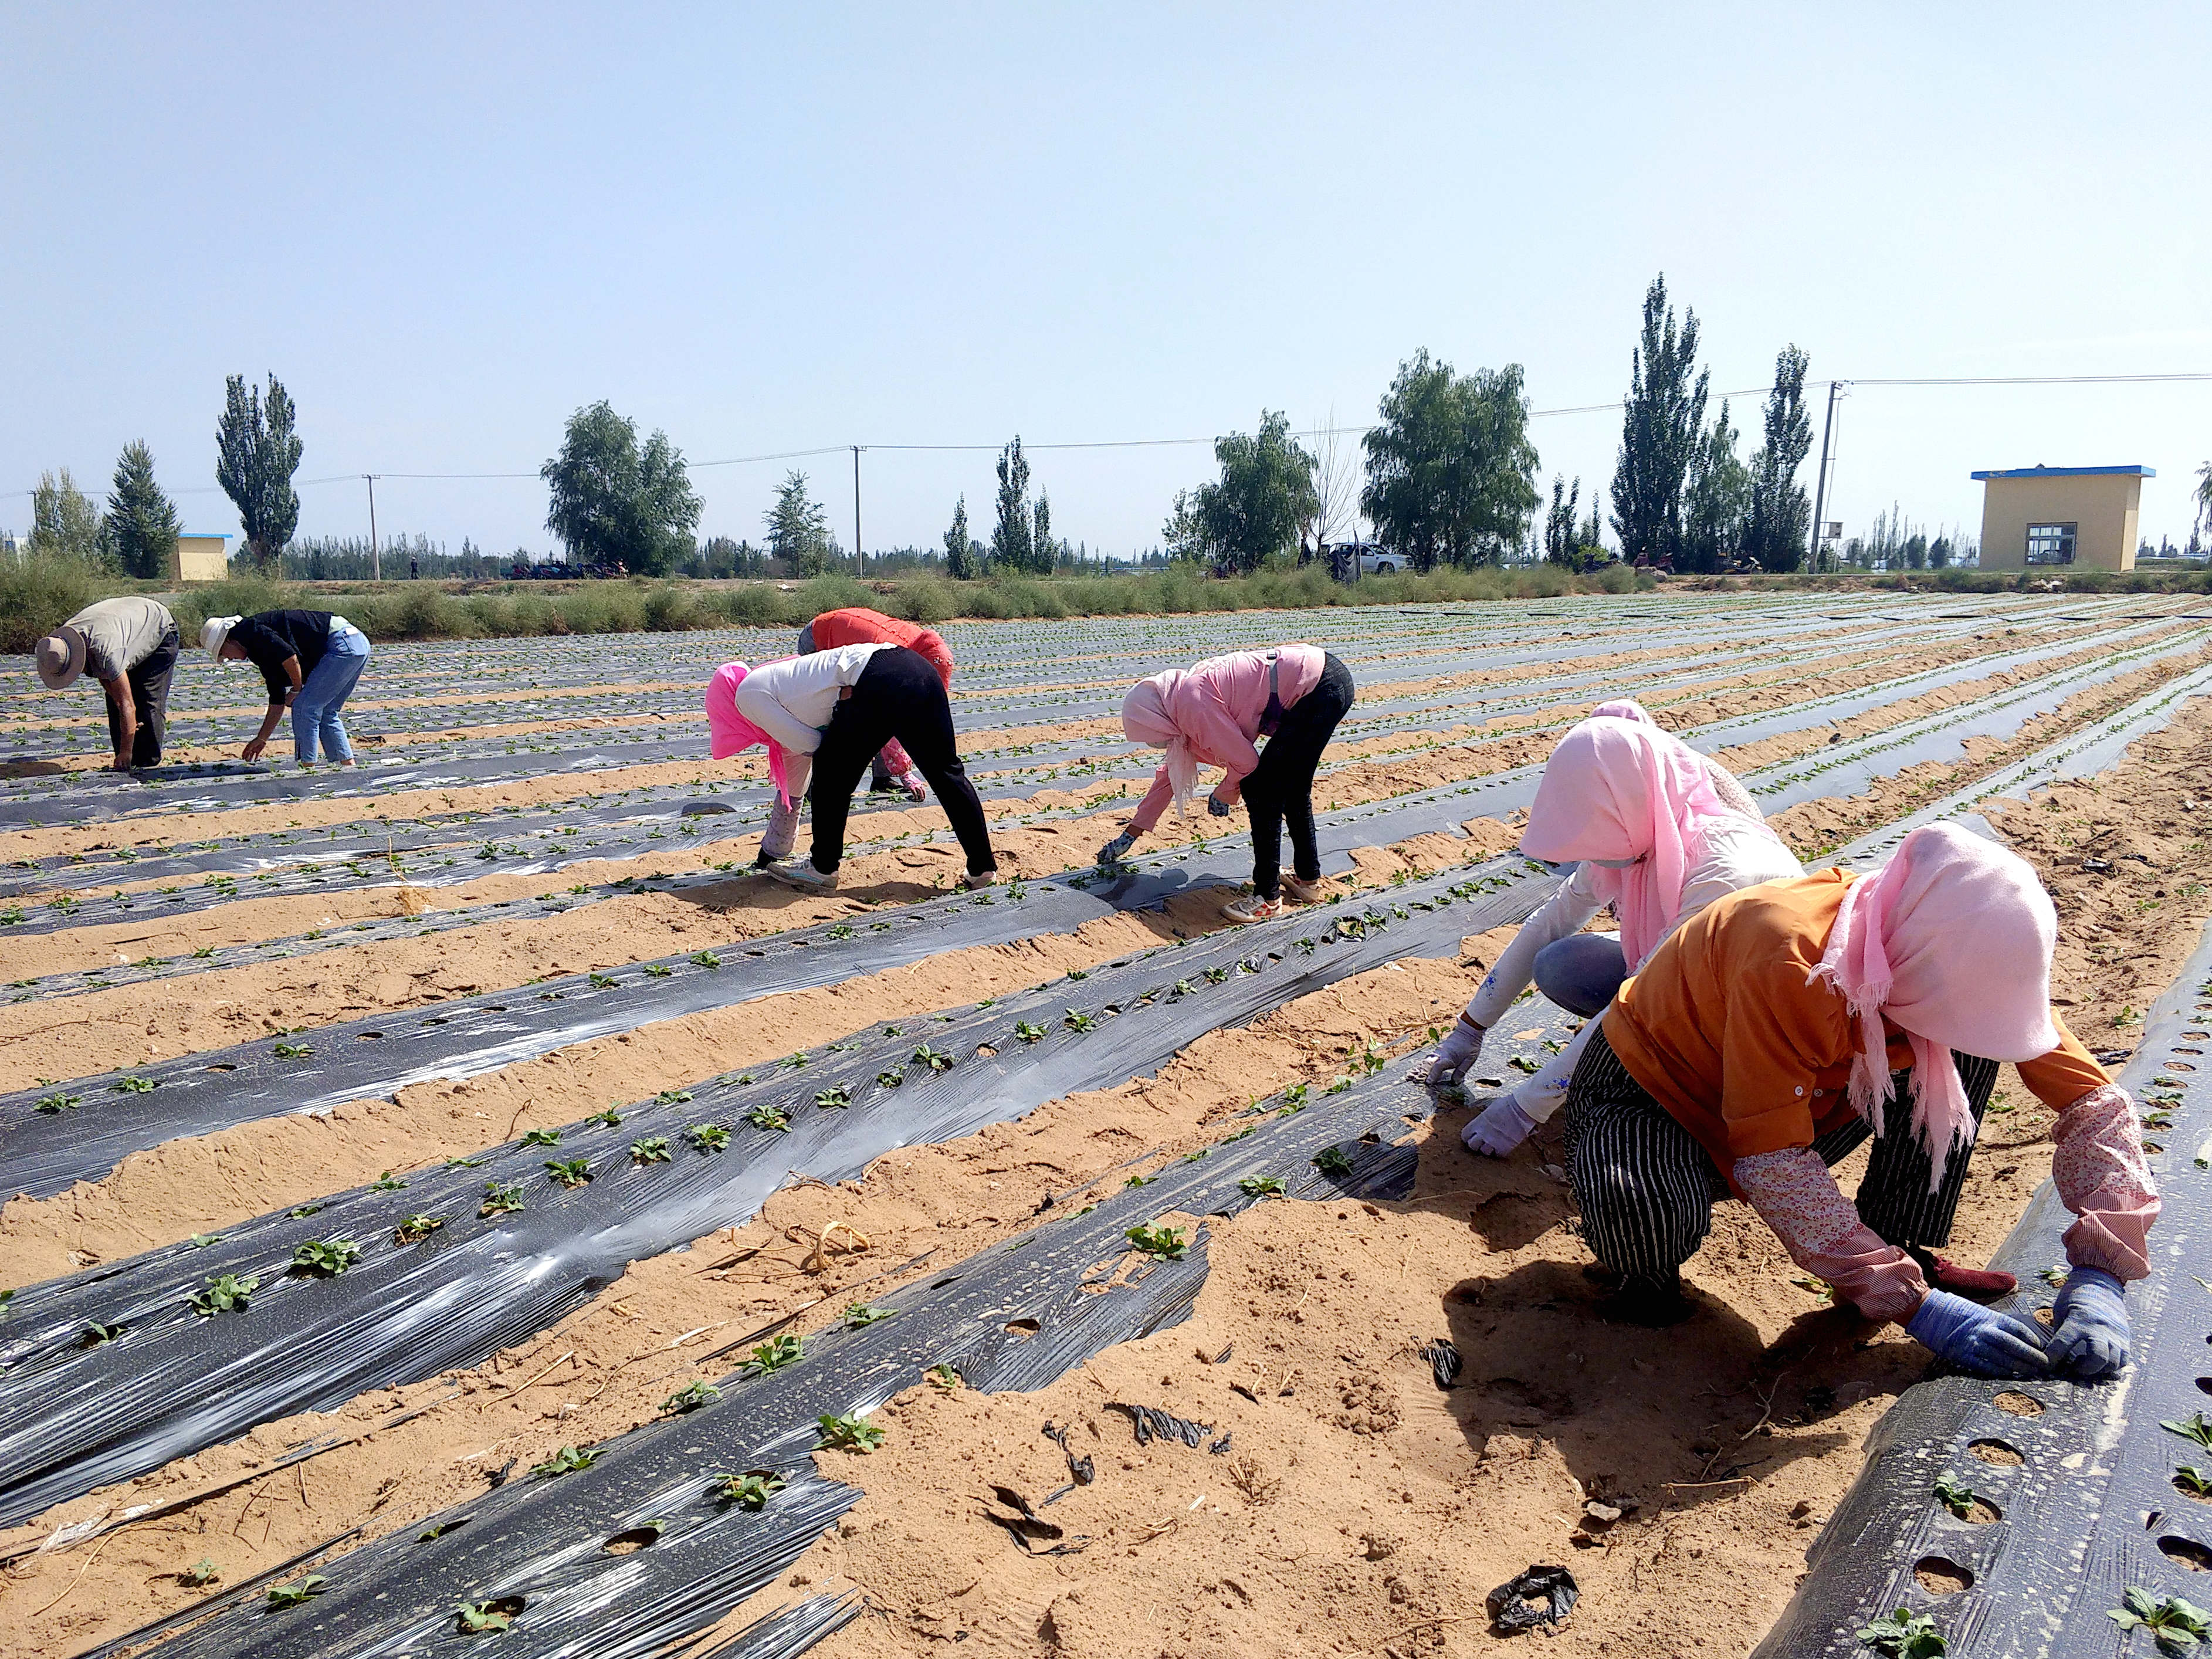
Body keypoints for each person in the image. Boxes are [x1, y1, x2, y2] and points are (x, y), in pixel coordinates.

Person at [1560, 821, 2153, 1380]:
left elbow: (2095, 1103)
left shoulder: (1968, 957)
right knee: (1643, 1206)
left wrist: (2103, 1271)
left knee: (1963, 1042)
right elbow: (1775, 1160)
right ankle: (1646, 1277)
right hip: (1656, 1092)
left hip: (1801, 1092)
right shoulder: (1791, 956)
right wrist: (1914, 1308)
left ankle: (1901, 1237)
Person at [1429, 702, 1800, 1154]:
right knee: (1564, 964)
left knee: (1654, 1083)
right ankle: (1637, 1062)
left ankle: (1683, 1085)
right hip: (1697, 978)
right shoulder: (1643, 831)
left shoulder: (1726, 868)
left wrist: (1524, 1109)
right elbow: (1552, 921)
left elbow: (1638, 998)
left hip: (1760, 1015)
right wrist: (1470, 1028)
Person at [706, 642, 997, 892]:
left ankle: (822, 868)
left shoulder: (746, 696)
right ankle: (983, 868)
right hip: (915, 667)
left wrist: (841, 742)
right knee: (947, 773)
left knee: (831, 777)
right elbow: (796, 760)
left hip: (875, 680)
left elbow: (808, 744)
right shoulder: (779, 679)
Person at [1097, 645, 1356, 924]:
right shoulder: (1180, 699)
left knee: (1260, 789)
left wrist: (1224, 792)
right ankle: (1308, 881)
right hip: (1325, 677)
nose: (1156, 742)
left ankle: (1267, 899)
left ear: (1153, 717)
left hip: (1317, 688)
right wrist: (1131, 834)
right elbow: (1168, 776)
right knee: (1293, 787)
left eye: (1150, 734)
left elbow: (1246, 762)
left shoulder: (1192, 705)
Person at [794, 607, 957, 798]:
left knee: (884, 711)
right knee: (831, 714)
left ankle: (882, 779)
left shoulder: (922, 648)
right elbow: (887, 714)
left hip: (849, 637)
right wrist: (905, 772)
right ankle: (815, 785)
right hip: (819, 639)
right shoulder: (893, 658)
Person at [201, 609, 373, 766]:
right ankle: (348, 767)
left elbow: (290, 657)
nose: (229, 659)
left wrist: (297, 690)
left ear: (229, 640)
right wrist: (262, 739)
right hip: (356, 643)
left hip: (341, 644)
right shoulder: (258, 651)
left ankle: (307, 769)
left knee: (304, 707)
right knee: (327, 711)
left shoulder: (252, 631)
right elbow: (277, 700)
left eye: (223, 653)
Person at [34, 596, 179, 770]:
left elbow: (127, 705)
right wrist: (121, 707)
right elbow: (105, 679)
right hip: (125, 630)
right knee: (115, 701)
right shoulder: (65, 641)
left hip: (160, 629)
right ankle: (125, 759)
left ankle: (147, 763)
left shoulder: (107, 652)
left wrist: (127, 746)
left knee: (146, 697)